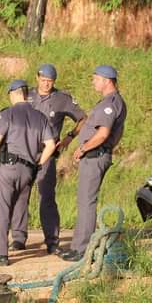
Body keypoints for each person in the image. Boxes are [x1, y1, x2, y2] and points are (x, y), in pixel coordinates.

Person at [10, 63, 86, 254]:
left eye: (50, 81)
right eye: (43, 80)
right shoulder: (27, 96)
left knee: (47, 196)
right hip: (25, 152)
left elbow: (83, 118)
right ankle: (19, 238)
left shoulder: (62, 99)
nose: (46, 84)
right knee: (21, 194)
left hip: (47, 153)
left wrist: (69, 137)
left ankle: (52, 240)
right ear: (37, 78)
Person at [0, 80, 56, 266]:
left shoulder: (8, 114)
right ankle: (10, 241)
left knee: (1, 207)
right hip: (28, 169)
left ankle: (0, 253)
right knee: (20, 203)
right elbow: (51, 145)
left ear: (13, 94)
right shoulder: (40, 117)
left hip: (8, 167)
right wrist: (39, 163)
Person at [60, 65, 127, 262]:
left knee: (87, 202)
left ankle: (82, 249)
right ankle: (77, 246)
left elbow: (104, 133)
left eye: (96, 78)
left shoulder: (110, 103)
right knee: (84, 201)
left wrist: (83, 148)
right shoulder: (110, 102)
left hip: (95, 155)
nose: (93, 82)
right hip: (96, 155)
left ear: (107, 80)